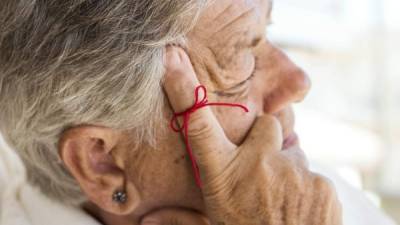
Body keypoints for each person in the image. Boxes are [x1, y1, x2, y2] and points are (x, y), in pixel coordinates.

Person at [0, 0, 395, 225]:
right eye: (240, 59)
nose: (297, 81)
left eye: (269, 32)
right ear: (102, 162)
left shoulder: (293, 191)